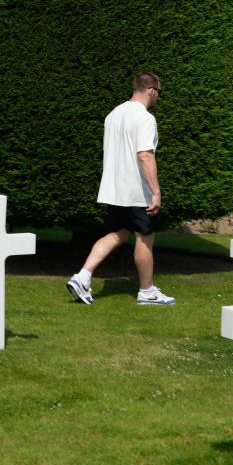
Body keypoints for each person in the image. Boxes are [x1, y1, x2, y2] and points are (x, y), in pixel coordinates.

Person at [66, 72, 175, 306]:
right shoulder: (145, 118)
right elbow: (145, 155)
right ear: (152, 90)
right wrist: (155, 192)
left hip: (114, 190)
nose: (158, 97)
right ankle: (147, 291)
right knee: (145, 236)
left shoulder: (113, 114)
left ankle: (82, 276)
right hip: (136, 191)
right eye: (159, 93)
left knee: (118, 233)